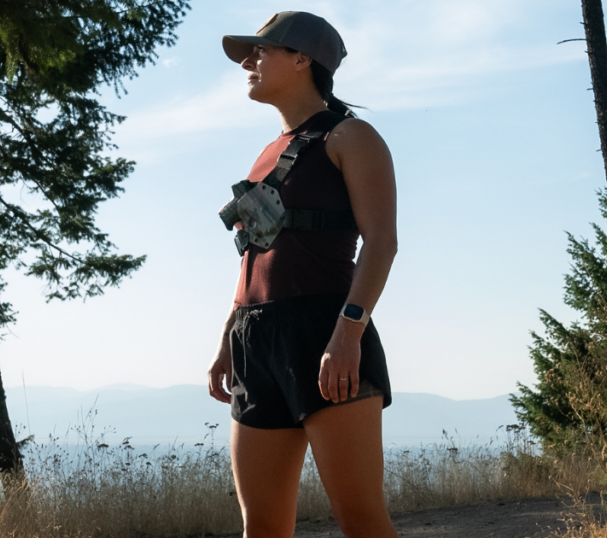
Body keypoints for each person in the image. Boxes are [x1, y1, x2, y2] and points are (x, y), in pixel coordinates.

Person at [206, 11, 400, 538]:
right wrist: (227, 340)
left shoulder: (351, 137)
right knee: (262, 526)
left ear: (302, 59)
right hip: (256, 339)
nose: (248, 61)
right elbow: (254, 255)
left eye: (260, 51)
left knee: (359, 517)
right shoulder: (265, 155)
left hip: (324, 330)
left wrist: (348, 333)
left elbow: (382, 243)